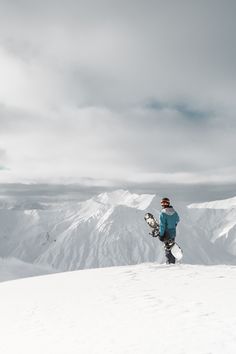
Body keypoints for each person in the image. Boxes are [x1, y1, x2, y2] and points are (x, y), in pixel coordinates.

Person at [159, 197, 180, 264]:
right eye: (163, 203)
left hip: (166, 233)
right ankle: (172, 262)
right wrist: (174, 224)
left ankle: (169, 264)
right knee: (172, 247)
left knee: (167, 248)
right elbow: (178, 220)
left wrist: (161, 234)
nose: (164, 204)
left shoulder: (163, 213)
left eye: (164, 203)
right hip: (173, 232)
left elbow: (162, 225)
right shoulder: (174, 212)